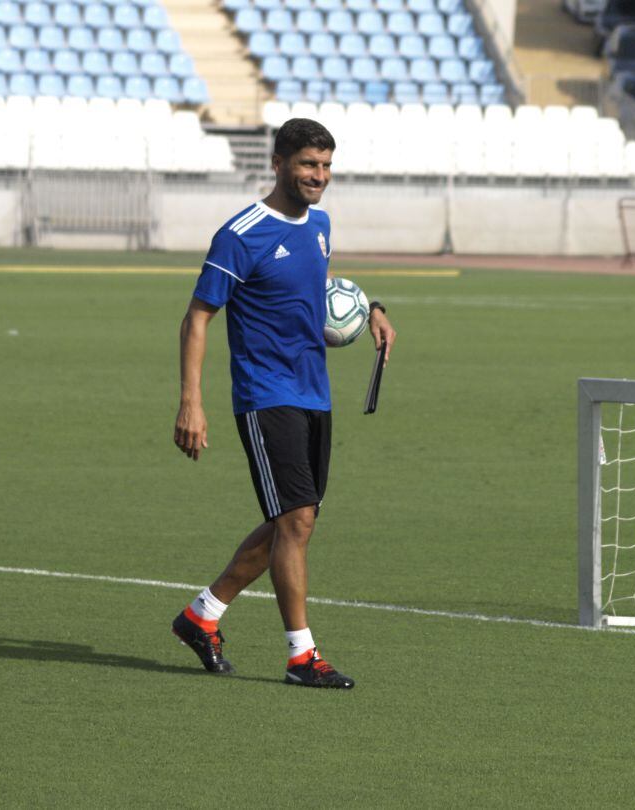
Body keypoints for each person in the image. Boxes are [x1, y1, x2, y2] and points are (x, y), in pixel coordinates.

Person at [170, 118, 397, 688]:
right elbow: (198, 317)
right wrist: (190, 402)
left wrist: (371, 309)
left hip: (314, 392)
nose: (318, 177)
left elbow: (315, 286)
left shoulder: (319, 224)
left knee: (292, 519)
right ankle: (302, 656)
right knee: (295, 519)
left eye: (325, 167)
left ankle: (203, 614)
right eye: (307, 166)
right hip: (263, 393)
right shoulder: (240, 234)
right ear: (278, 163)